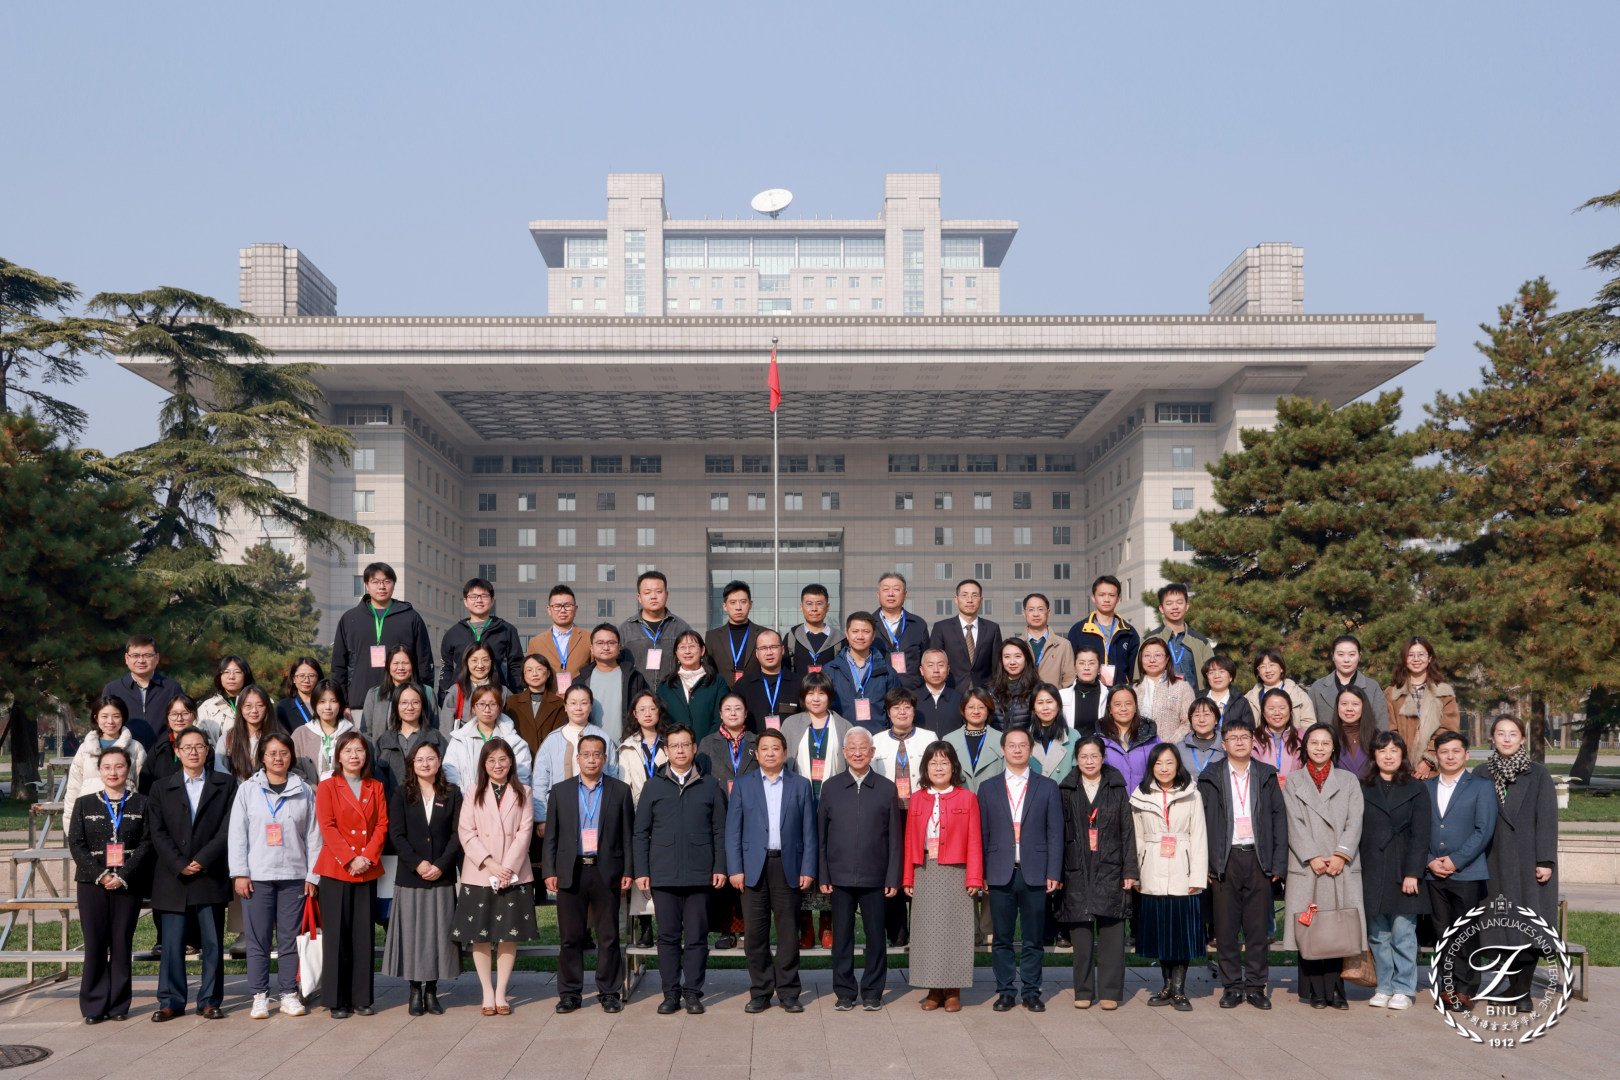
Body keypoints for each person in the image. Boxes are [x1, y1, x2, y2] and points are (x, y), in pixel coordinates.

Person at [633, 723, 728, 1015]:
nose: (680, 750)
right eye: (674, 745)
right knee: (668, 937)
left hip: (700, 874)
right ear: (666, 750)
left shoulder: (709, 785)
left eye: (686, 744)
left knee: (697, 937)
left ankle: (693, 993)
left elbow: (720, 831)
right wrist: (642, 871)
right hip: (664, 874)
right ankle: (671, 993)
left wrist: (720, 866)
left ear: (694, 748)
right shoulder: (653, 786)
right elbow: (640, 832)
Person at [1198, 715, 1288, 1010]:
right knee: (1225, 931)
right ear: (1223, 744)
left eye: (1245, 737)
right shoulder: (1211, 776)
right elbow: (1202, 823)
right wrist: (1206, 865)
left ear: (1253, 742)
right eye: (1233, 738)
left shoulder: (1265, 775)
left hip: (1259, 859)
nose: (1239, 742)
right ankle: (1232, 987)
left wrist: (1278, 864)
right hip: (1224, 860)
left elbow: (1279, 819)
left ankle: (1256, 987)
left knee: (1257, 931)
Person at [148, 725, 237, 1021]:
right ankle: (171, 1001)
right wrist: (178, 863)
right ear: (177, 752)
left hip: (209, 874)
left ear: (208, 750)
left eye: (199, 746)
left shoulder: (226, 784)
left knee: (212, 943)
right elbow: (157, 832)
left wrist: (202, 859)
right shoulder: (161, 787)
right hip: (172, 876)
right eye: (187, 747)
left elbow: (228, 828)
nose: (193, 752)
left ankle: (209, 1000)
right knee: (172, 944)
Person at [228, 732, 319, 1019]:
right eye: (272, 753)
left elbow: (314, 836)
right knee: (258, 939)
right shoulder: (247, 790)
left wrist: (312, 876)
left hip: (294, 875)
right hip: (257, 876)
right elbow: (237, 835)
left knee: (290, 939)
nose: (278, 758)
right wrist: (240, 873)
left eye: (284, 753)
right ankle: (259, 996)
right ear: (262, 757)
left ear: (292, 756)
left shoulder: (304, 790)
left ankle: (289, 994)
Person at [726, 729, 818, 1013]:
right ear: (756, 753)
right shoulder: (743, 784)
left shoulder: (800, 785)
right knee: (755, 934)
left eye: (775, 748)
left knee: (789, 933)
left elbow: (810, 831)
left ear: (784, 753)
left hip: (788, 866)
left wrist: (808, 868)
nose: (770, 753)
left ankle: (789, 992)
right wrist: (735, 869)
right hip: (753, 867)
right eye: (764, 748)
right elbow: (733, 830)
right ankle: (761, 991)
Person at [544, 732, 635, 1014]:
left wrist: (628, 870)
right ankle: (570, 993)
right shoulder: (560, 791)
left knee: (608, 936)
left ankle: (609, 992)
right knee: (570, 937)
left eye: (597, 754)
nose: (592, 759)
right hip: (571, 871)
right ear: (578, 758)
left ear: (605, 758)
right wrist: (550, 870)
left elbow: (628, 835)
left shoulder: (620, 791)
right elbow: (551, 837)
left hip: (606, 870)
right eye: (586, 754)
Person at [1475, 714, 1559, 1010]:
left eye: (1513, 733)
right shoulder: (1482, 773)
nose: (1507, 739)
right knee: (1500, 925)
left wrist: (1546, 860)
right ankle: (1513, 987)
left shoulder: (1538, 773)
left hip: (1528, 860)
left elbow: (1547, 819)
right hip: (1493, 860)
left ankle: (1522, 992)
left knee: (1528, 924)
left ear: (1522, 738)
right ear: (1492, 738)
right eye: (1501, 733)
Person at [817, 727, 904, 1011]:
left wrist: (893, 876)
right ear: (844, 752)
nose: (857, 753)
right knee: (841, 938)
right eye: (852, 748)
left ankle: (872, 992)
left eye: (863, 748)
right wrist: (823, 873)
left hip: (875, 877)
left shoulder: (886, 788)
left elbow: (895, 838)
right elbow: (821, 836)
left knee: (876, 938)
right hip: (839, 877)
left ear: (872, 752)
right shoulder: (831, 787)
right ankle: (844, 992)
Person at [1281, 723, 1367, 1010]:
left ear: (1333, 748)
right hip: (1309, 866)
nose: (1319, 747)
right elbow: (1293, 822)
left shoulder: (1348, 780)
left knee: (1339, 928)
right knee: (1309, 927)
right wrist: (1312, 855)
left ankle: (1337, 991)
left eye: (1325, 743)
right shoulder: (1294, 781)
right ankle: (1315, 991)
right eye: (1314, 742)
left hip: (1340, 865)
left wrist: (1341, 854)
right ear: (1305, 747)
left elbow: (1355, 820)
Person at [979, 727, 1063, 1011]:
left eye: (1022, 745)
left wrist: (1053, 872)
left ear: (1030, 750)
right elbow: (982, 834)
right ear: (1003, 750)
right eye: (1011, 745)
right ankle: (1005, 991)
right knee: (1001, 938)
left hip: (1036, 872)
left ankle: (1030, 991)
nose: (1017, 750)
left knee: (1033, 938)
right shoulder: (988, 787)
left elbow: (1055, 833)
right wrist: (983, 872)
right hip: (1000, 872)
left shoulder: (1047, 786)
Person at [453, 738, 538, 1015]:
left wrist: (507, 868)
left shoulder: (524, 792)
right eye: (491, 760)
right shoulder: (473, 791)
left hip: (513, 874)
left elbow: (525, 833)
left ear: (511, 761)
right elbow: (466, 832)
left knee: (507, 935)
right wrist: (490, 864)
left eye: (502, 759)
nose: (497, 765)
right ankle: (487, 992)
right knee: (480, 935)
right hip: (480, 872)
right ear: (483, 764)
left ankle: (501, 992)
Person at [67, 745, 151, 1024]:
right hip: (92, 884)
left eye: (119, 766)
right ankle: (93, 1005)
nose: (113, 772)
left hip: (128, 883)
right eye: (107, 767)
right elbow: (76, 844)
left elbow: (147, 843)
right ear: (99, 771)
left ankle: (118, 1005)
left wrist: (123, 874)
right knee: (94, 944)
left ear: (128, 770)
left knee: (121, 942)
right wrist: (101, 875)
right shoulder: (84, 803)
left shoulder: (142, 803)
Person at [383, 740, 463, 1016]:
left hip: (441, 876)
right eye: (419, 759)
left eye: (430, 758)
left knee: (439, 935)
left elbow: (457, 835)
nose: (425, 764)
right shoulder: (401, 794)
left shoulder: (452, 793)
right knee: (413, 936)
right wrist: (417, 864)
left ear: (439, 762)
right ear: (412, 764)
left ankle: (432, 991)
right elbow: (396, 834)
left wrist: (440, 865)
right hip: (411, 877)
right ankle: (415, 990)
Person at [1057, 735, 1138, 1009]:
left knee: (1112, 935)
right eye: (1083, 756)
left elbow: (1128, 831)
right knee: (1081, 937)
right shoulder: (1066, 789)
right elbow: (1058, 834)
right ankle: (1083, 991)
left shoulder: (1116, 788)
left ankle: (1110, 992)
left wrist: (1130, 869)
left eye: (1094, 756)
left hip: (1111, 866)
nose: (1089, 761)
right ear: (1076, 759)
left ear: (1103, 758)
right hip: (1076, 868)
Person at [904, 741, 984, 1012]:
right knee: (927, 933)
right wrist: (908, 877)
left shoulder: (967, 797)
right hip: (925, 870)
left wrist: (974, 877)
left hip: (957, 872)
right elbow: (909, 839)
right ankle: (933, 990)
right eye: (933, 763)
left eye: (944, 763)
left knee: (955, 932)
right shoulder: (918, 798)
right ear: (926, 768)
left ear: (953, 767)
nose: (939, 768)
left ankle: (953, 990)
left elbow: (975, 839)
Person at [314, 731, 388, 1018]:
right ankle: (337, 1000)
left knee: (363, 935)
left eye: (359, 750)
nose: (354, 755)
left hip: (366, 870)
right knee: (336, 937)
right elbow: (327, 826)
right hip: (336, 869)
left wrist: (366, 857)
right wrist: (349, 858)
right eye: (348, 751)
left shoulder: (375, 786)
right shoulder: (328, 786)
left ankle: (361, 998)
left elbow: (382, 825)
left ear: (366, 755)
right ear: (339, 756)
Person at [1130, 744, 1208, 1011]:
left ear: (1178, 765)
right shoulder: (1140, 795)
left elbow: (1199, 836)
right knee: (1162, 934)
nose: (1164, 768)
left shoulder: (1191, 793)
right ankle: (1165, 987)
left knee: (1181, 934)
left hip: (1182, 871)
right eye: (1158, 763)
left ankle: (1179, 990)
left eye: (1169, 763)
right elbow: (1137, 838)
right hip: (1151, 869)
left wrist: (1197, 876)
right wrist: (1136, 874)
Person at [1423, 729, 1497, 1010]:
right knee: (1442, 933)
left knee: (1465, 933)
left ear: (1466, 755)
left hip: (1466, 872)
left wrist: (1455, 860)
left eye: (1456, 751)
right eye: (1444, 752)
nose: (1450, 756)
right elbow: (1417, 830)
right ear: (1436, 756)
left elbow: (1484, 830)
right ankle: (1446, 988)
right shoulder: (1425, 787)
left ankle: (1465, 989)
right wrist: (1429, 859)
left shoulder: (1481, 787)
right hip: (1433, 872)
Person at [1359, 730, 1429, 1011]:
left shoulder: (1416, 788)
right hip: (1372, 867)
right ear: (1374, 755)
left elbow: (1421, 835)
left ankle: (1404, 987)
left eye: (1394, 751)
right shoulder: (1363, 787)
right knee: (1378, 934)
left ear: (1402, 755)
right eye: (1382, 751)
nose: (1388, 756)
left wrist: (1413, 872)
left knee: (1403, 931)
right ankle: (1384, 985)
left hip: (1403, 868)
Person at [331, 561, 434, 719]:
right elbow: (338, 666)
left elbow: (424, 662)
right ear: (366, 585)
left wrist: (423, 698)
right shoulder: (350, 619)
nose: (382, 586)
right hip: (358, 704)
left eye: (387, 581)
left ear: (393, 584)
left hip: (403, 704)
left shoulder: (410, 617)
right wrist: (342, 703)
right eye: (375, 582)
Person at [531, 685, 611, 834]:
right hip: (560, 812)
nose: (578, 708)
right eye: (573, 703)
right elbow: (540, 781)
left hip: (596, 811)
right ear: (565, 706)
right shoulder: (552, 740)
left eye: (584, 703)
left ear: (591, 706)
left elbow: (612, 775)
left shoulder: (603, 738)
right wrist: (541, 818)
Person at [65, 696, 148, 831]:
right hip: (90, 820)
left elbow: (144, 788)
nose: (110, 721)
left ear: (123, 718)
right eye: (104, 716)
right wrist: (70, 826)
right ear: (96, 718)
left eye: (116, 716)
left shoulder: (135, 748)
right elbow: (73, 789)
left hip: (127, 821)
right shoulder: (85, 749)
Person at [1385, 637, 1460, 780]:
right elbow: (1390, 730)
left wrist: (1428, 760)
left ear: (1430, 658)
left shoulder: (1444, 693)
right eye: (1411, 655)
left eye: (1421, 654)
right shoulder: (1392, 693)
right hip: (1400, 769)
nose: (1416, 659)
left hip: (1435, 770)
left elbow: (1448, 729)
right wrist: (1402, 760)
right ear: (1404, 659)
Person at [440, 576, 524, 692]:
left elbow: (516, 666)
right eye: (473, 596)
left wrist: (516, 697)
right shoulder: (453, 633)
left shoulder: (506, 630)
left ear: (492, 600)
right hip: (461, 697)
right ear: (465, 601)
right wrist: (444, 696)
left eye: (484, 596)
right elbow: (446, 668)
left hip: (497, 696)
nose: (479, 600)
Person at [444, 685, 533, 794]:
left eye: (493, 704)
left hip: (504, 801)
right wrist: (467, 799)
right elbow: (450, 773)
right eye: (481, 704)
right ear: (473, 708)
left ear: (500, 708)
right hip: (466, 800)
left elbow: (522, 776)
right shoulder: (459, 740)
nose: (487, 709)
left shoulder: (514, 742)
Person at [575, 622, 651, 744]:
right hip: (592, 749)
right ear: (592, 649)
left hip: (627, 747)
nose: (606, 647)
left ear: (619, 647)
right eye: (600, 643)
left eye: (611, 643)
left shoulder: (634, 678)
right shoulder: (581, 681)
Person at [781, 672, 852, 796]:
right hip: (798, 794)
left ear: (829, 696)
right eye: (810, 693)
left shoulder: (844, 726)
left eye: (821, 693)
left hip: (835, 794)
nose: (816, 699)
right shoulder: (790, 724)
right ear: (803, 696)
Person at [374, 683, 449, 798]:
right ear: (396, 706)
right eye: (404, 703)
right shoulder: (385, 740)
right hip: (392, 804)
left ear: (422, 705)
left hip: (427, 803)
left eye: (415, 702)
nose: (409, 707)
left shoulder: (435, 738)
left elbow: (444, 775)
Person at [829, 612, 899, 733]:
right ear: (847, 634)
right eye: (855, 631)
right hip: (841, 736)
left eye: (866, 632)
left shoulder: (887, 672)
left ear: (873, 635)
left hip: (877, 737)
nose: (860, 636)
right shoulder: (831, 670)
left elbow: (895, 707)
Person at [1066, 575, 1139, 691]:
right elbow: (1070, 667)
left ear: (1118, 599)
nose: (1106, 599)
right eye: (1101, 595)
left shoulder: (1129, 632)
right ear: (1093, 598)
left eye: (1111, 595)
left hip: (1119, 693)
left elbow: (1133, 671)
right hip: (1087, 692)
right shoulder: (1078, 630)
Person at [101, 635, 175, 749]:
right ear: (127, 658)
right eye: (135, 655)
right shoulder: (112, 689)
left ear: (157, 658)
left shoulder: (171, 688)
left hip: (164, 754)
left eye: (148, 655)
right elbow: (104, 727)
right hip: (125, 755)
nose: (141, 660)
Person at [618, 570, 693, 682]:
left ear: (666, 595)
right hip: (637, 692)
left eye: (658, 591)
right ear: (639, 597)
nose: (653, 596)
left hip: (672, 690)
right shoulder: (625, 629)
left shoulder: (682, 628)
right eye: (647, 592)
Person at [927, 578, 1001, 691]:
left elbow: (996, 666)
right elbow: (934, 662)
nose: (969, 600)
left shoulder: (992, 628)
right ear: (956, 599)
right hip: (951, 692)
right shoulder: (941, 628)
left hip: (984, 693)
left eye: (974, 595)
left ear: (981, 600)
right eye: (964, 595)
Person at [1138, 584, 1214, 690]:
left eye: (1179, 602)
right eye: (1169, 603)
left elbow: (1212, 675)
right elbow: (1137, 676)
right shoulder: (1148, 641)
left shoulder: (1201, 642)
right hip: (1156, 698)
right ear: (1161, 608)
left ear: (1186, 606)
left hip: (1194, 699)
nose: (1175, 607)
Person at [1308, 635, 1390, 732]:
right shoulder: (1318, 687)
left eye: (1351, 654)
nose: (1346, 660)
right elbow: (1310, 726)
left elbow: (1382, 725)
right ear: (1333, 656)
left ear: (1359, 656)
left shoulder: (1372, 687)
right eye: (1341, 654)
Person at [659, 630, 725, 740]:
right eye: (682, 647)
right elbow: (662, 720)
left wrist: (706, 744)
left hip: (711, 746)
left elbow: (721, 718)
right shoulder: (666, 685)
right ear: (676, 652)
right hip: (676, 746)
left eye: (692, 646)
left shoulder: (717, 682)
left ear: (702, 650)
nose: (687, 651)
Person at [359, 645, 437, 737]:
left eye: (405, 663)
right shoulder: (375, 694)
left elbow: (435, 728)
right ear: (388, 666)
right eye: (395, 663)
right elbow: (366, 732)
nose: (400, 667)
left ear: (412, 665)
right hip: (382, 746)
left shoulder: (427, 692)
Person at [872, 689, 935, 800]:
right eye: (896, 708)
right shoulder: (877, 740)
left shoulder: (929, 738)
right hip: (887, 802)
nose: (902, 712)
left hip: (922, 801)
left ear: (913, 711)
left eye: (907, 707)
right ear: (888, 713)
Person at [735, 630, 801, 735]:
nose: (769, 652)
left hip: (790, 743)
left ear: (782, 650)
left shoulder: (798, 683)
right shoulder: (743, 685)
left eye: (774, 647)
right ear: (757, 653)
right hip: (753, 744)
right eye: (763, 648)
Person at [706, 580, 771, 685]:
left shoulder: (764, 634)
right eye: (733, 602)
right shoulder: (712, 637)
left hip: (755, 691)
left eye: (743, 602)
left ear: (750, 604)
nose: (738, 607)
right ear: (725, 606)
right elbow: (709, 670)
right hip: (723, 693)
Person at [292, 679, 357, 783]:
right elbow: (294, 769)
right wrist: (314, 789)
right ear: (314, 704)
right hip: (309, 792)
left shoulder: (353, 733)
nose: (328, 707)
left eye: (333, 701)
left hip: (346, 791)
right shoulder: (300, 734)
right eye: (322, 701)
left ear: (340, 704)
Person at [528, 584, 592, 691]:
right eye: (557, 606)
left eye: (568, 605)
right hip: (548, 699)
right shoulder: (536, 643)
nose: (562, 610)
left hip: (579, 699)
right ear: (549, 609)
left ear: (575, 609)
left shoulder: (589, 638)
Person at [1098, 686, 1159, 794]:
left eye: (1128, 703)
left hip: (1145, 800)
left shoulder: (1151, 738)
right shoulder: (1098, 740)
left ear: (1135, 707)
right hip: (1110, 801)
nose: (1123, 708)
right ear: (1110, 709)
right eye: (1117, 704)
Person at [874, 572, 930, 691]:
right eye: (886, 589)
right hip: (877, 692)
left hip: (911, 693)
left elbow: (927, 660)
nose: (891, 594)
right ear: (878, 594)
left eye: (896, 589)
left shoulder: (918, 624)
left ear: (905, 594)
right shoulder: (868, 625)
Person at [943, 688, 1005, 792]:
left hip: (992, 797)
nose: (976, 711)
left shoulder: (1002, 739)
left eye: (981, 707)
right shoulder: (949, 740)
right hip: (959, 799)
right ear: (963, 710)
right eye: (971, 707)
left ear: (988, 710)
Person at [1134, 639, 1194, 746]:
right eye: (1147, 655)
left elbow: (1188, 722)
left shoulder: (1182, 687)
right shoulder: (1132, 689)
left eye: (1158, 655)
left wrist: (1167, 745)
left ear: (1167, 659)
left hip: (1171, 749)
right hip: (1137, 748)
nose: (1152, 660)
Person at [217, 685, 282, 781]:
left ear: (267, 707)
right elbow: (220, 771)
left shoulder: (279, 736)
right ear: (240, 708)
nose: (254, 710)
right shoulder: (229, 738)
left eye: (260, 705)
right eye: (248, 706)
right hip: (238, 789)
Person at [507, 653, 567, 757]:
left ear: (548, 673)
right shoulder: (512, 703)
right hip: (519, 758)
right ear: (523, 674)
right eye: (529, 670)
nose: (534, 674)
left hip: (549, 757)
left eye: (539, 669)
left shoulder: (559, 704)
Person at [1242, 649, 1317, 730]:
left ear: (1281, 668)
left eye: (1272, 665)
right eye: (1262, 667)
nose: (1268, 670)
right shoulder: (1249, 699)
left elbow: (1309, 726)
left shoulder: (1299, 695)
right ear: (1258, 672)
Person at [1015, 593, 1077, 690]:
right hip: (1022, 698)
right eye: (1031, 610)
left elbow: (1069, 680)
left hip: (1053, 698)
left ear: (1048, 612)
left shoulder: (1063, 645)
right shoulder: (1016, 645)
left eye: (1040, 609)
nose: (1036, 614)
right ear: (1024, 613)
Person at [139, 694, 198, 795]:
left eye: (185, 713)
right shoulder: (158, 749)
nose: (179, 718)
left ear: (194, 716)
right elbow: (145, 785)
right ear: (167, 717)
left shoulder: (203, 748)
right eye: (174, 714)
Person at [440, 642, 506, 729]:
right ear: (466, 662)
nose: (480, 665)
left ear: (491, 662)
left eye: (485, 660)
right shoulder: (456, 692)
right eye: (474, 660)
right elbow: (445, 731)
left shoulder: (503, 692)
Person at [616, 691, 669, 800]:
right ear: (635, 714)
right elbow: (624, 784)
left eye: (652, 709)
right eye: (642, 709)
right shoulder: (627, 746)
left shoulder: (670, 742)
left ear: (659, 711)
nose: (647, 714)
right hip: (638, 805)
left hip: (667, 803)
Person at [196, 655, 256, 744]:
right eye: (226, 672)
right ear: (220, 676)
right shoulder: (207, 707)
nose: (231, 677)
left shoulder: (259, 704)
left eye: (237, 672)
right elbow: (198, 739)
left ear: (246, 676)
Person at [788, 582, 845, 675]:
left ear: (827, 607)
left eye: (819, 604)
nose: (814, 609)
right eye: (809, 604)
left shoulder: (840, 639)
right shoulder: (792, 636)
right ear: (801, 607)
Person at [1253, 687, 1304, 785]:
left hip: (1295, 790)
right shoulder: (1253, 739)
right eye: (1271, 709)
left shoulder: (1302, 736)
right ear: (1263, 712)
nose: (1277, 713)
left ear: (1290, 710)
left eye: (1282, 708)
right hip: (1264, 790)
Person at [1028, 684, 1076, 784]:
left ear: (1058, 704)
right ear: (1033, 707)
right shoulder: (1025, 737)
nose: (1045, 707)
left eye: (1049, 702)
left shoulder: (1073, 735)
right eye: (1040, 703)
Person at [989, 638, 1038, 731]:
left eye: (1018, 656)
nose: (1012, 662)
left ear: (1026, 658)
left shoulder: (1037, 688)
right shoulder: (991, 690)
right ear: (1001, 660)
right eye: (1007, 657)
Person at [1331, 686, 1377, 781]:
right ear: (1337, 706)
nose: (1349, 708)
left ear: (1364, 707)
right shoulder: (1329, 736)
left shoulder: (1376, 736)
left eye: (1355, 704)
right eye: (1344, 704)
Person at [916, 649, 963, 736]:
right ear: (922, 670)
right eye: (930, 665)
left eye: (940, 665)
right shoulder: (913, 699)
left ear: (948, 669)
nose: (936, 670)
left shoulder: (960, 699)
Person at [1201, 654, 1255, 730]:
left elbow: (1248, 730)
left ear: (1230, 677)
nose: (1217, 676)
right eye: (1211, 672)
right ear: (1207, 677)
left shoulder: (1241, 702)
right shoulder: (1197, 698)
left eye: (1222, 671)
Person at [1177, 697, 1225, 778]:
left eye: (1207, 714)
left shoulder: (1226, 746)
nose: (1201, 720)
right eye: (1196, 715)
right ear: (1191, 720)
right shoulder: (1179, 748)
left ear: (1216, 720)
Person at [276, 656, 324, 731]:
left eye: (311, 676)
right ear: (293, 679)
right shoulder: (284, 707)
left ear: (318, 678)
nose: (306, 680)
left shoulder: (327, 704)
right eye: (302, 676)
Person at [1069, 645, 1109, 734]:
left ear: (1099, 668)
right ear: (1075, 667)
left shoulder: (1108, 695)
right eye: (1081, 663)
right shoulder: (1062, 696)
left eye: (1091, 663)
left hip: (1100, 742)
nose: (1086, 668)